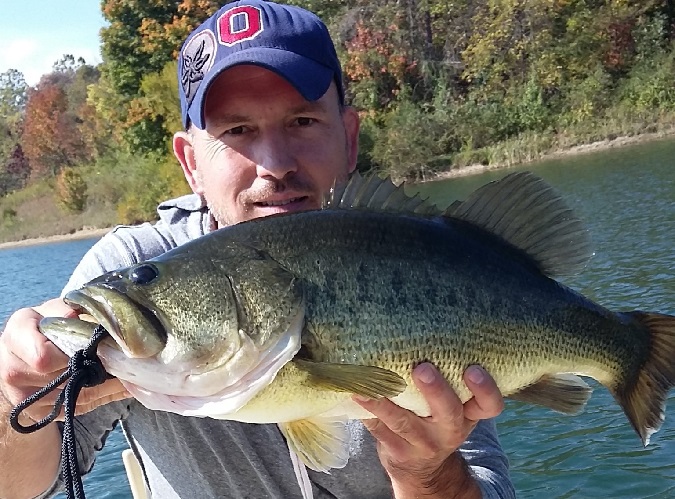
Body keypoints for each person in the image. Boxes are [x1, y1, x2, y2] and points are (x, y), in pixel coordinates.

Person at [0, 2, 514, 498]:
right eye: (237, 131)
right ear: (191, 163)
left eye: (303, 122)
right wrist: (11, 400)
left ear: (350, 137)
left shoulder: (414, 253)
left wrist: (427, 475)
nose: (275, 164)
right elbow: (21, 486)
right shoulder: (135, 275)